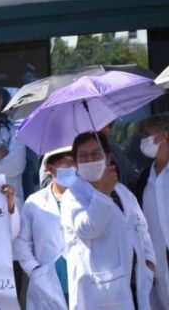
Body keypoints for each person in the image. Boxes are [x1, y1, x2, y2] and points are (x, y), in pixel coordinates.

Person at [60, 131, 155, 310]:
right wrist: (102, 193)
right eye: (83, 156)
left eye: (96, 153)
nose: (90, 159)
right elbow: (88, 228)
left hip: (135, 282)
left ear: (108, 157)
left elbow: (141, 226)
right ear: (75, 163)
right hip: (99, 293)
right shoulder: (72, 196)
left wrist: (149, 260)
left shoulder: (122, 192)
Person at [14, 147, 75, 309]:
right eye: (65, 163)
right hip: (46, 281)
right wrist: (34, 269)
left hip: (82, 278)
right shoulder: (35, 202)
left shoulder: (87, 198)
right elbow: (22, 241)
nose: (71, 167)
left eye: (73, 162)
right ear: (50, 169)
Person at [132, 114, 169, 309]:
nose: (142, 141)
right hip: (156, 267)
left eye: (147, 135)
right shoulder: (146, 176)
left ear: (165, 136)